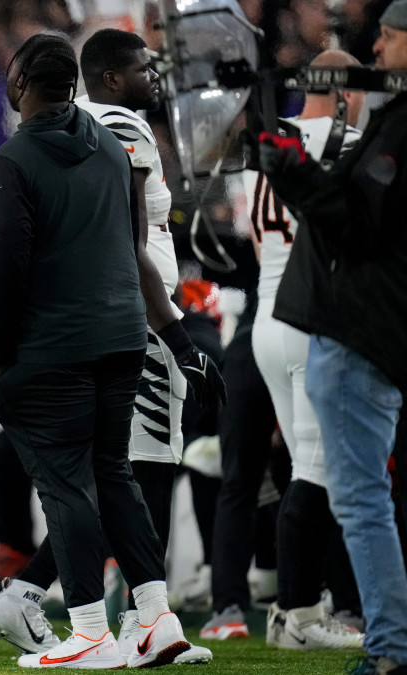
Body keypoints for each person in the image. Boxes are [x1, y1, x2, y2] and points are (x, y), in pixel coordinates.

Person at [0, 33, 220, 669]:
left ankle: (89, 631)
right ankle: (156, 618)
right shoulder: (114, 147)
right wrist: (175, 336)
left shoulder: (13, 159)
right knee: (117, 474)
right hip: (125, 336)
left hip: (57, 342)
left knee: (68, 484)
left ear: (21, 84)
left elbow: (5, 267)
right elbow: (134, 248)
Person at [259, 4, 407, 672]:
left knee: (357, 499)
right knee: (348, 491)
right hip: (345, 325)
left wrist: (294, 174)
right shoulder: (387, 119)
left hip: (355, 325)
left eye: (390, 36)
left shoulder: (395, 124)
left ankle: (387, 646)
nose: (378, 47)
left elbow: (358, 227)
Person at [247, 49, 367, 650]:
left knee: (307, 472)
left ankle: (300, 608)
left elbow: (256, 238)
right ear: (347, 92)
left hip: (267, 317)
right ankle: (300, 614)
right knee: (318, 474)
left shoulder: (269, 142)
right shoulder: (350, 145)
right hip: (314, 316)